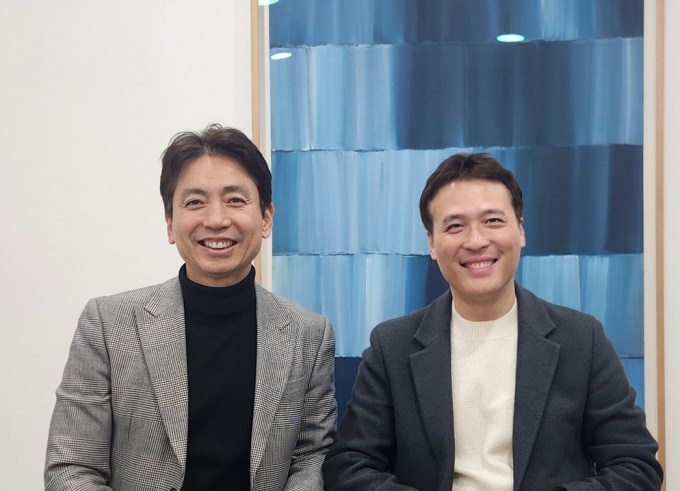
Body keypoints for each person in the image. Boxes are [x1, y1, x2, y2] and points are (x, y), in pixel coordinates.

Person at [322, 153, 662, 490]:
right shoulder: (392, 346)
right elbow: (350, 466)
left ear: (520, 231)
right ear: (432, 244)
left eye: (493, 221)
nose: (476, 241)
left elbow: (636, 466)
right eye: (455, 226)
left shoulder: (581, 340)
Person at [45, 125, 336, 491]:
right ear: (170, 223)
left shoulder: (309, 334)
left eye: (235, 200)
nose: (215, 220)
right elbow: (71, 468)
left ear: (265, 218)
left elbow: (310, 458)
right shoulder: (107, 325)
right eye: (195, 202)